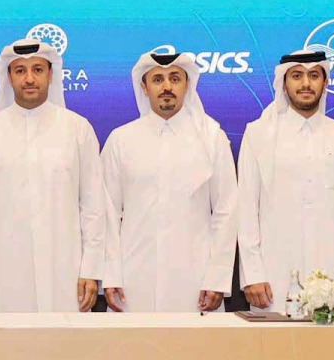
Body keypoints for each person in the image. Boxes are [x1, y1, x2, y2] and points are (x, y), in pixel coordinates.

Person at [0, 39, 105, 313]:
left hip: (67, 271)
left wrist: (91, 268)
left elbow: (93, 205)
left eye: (37, 70)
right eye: (20, 71)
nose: (29, 79)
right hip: (2, 273)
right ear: (9, 77)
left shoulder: (78, 129)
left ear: (50, 75)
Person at [236, 49, 334, 313]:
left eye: (314, 76)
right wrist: (252, 274)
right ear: (283, 84)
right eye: (297, 76)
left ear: (325, 83)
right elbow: (246, 210)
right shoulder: (258, 135)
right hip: (273, 280)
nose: (305, 83)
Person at [101, 50, 238, 312]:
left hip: (196, 279)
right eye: (157, 79)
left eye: (175, 79)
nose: (166, 87)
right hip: (132, 278)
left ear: (187, 85)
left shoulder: (211, 137)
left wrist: (217, 277)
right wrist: (111, 274)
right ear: (144, 87)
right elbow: (107, 213)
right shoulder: (121, 140)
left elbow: (226, 211)